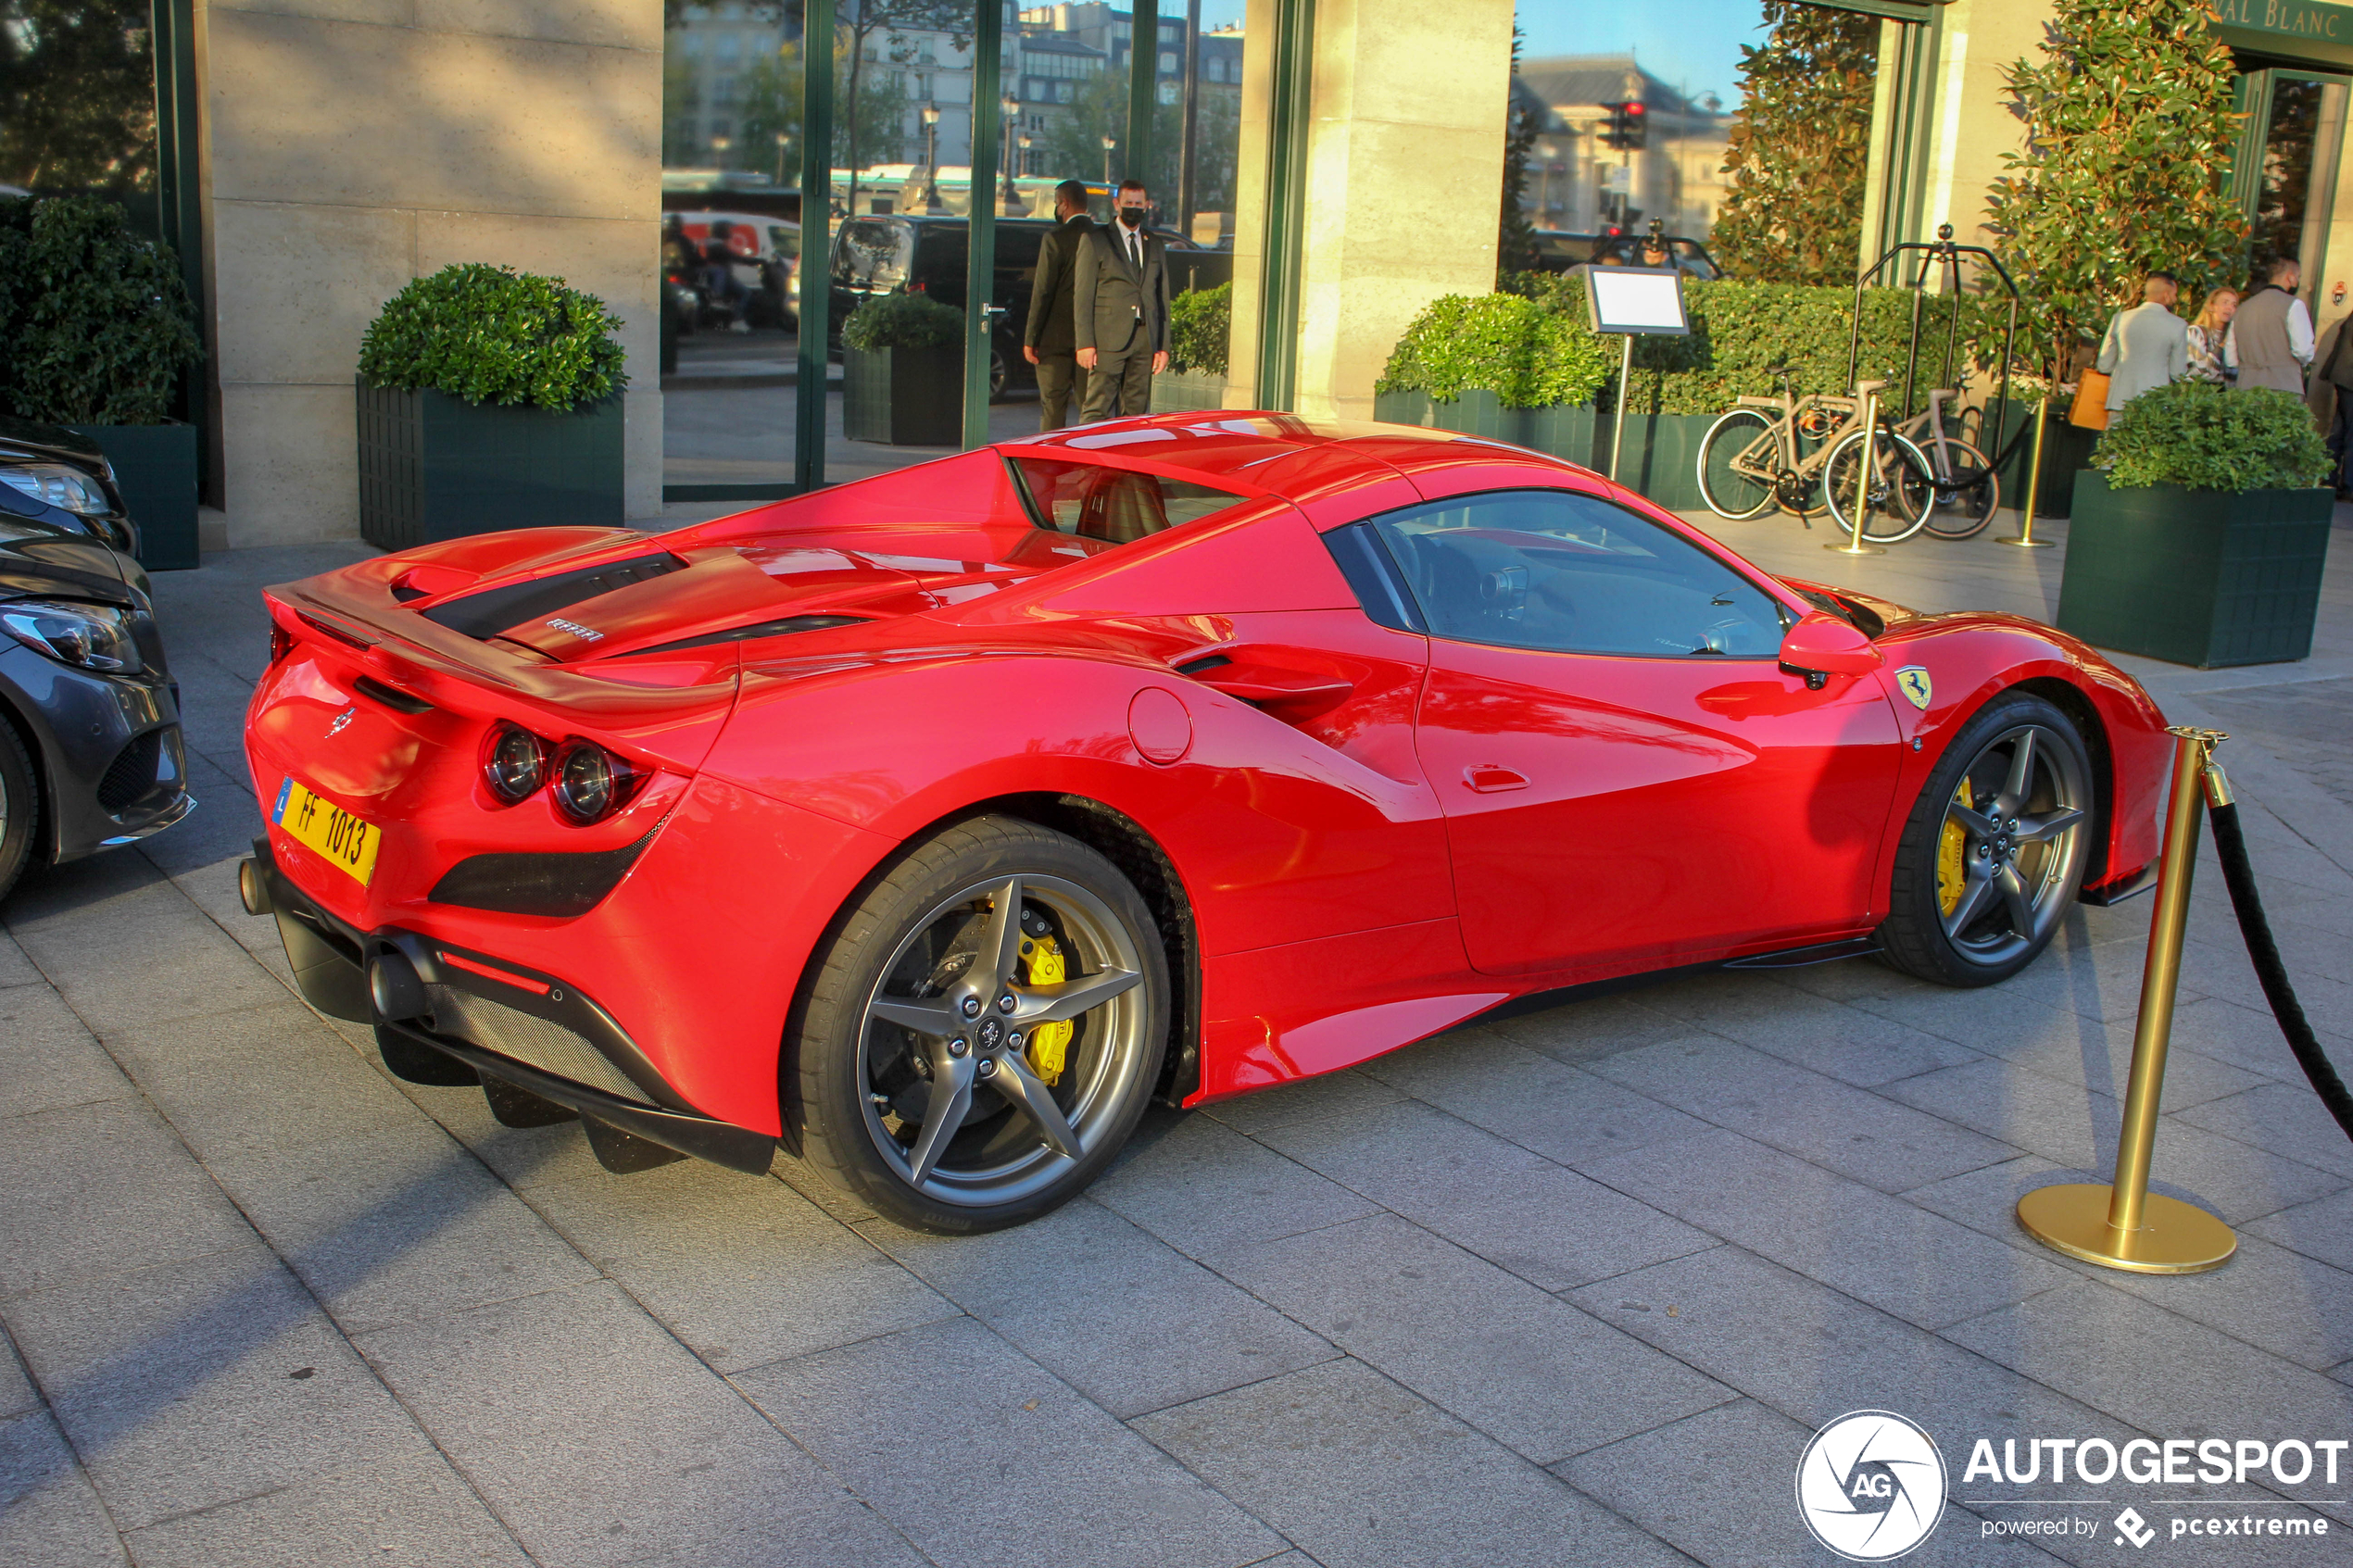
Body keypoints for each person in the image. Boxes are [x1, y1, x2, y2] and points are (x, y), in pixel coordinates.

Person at [1074, 179, 1170, 421]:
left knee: (1136, 415)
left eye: (1139, 203)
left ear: (1147, 205)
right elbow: (1083, 296)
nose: (1134, 207)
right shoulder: (1096, 240)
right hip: (1107, 339)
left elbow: (1162, 298)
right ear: (1117, 204)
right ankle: (1089, 457)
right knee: (1097, 409)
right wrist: (1085, 343)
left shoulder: (1155, 244)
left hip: (1144, 340)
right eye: (1128, 202)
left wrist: (1163, 346)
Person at [1024, 180, 1095, 432]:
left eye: (1056, 203)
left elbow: (1042, 291)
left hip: (1054, 339)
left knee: (1053, 406)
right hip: (1091, 339)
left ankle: (1051, 461)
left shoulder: (1055, 239)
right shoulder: (1102, 238)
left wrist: (1031, 337)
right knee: (1091, 407)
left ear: (1064, 204)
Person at [2095, 272, 2188, 411]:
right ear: (2166, 295)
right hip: (2156, 403)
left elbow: (2104, 365)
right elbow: (2177, 373)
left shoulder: (2119, 319)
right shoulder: (2178, 325)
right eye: (2175, 294)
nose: (2175, 299)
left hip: (2119, 400)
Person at [2226, 257, 2314, 394]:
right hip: (2284, 385)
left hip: (2246, 387)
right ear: (2290, 277)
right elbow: (2303, 351)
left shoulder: (2243, 308)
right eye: (2298, 277)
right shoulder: (2294, 305)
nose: (2297, 281)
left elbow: (2231, 359)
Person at [2185, 286, 2238, 383]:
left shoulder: (2234, 335)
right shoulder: (2196, 332)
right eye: (2225, 303)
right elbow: (2200, 372)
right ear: (2211, 306)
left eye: (2234, 305)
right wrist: (2223, 345)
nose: (2230, 308)